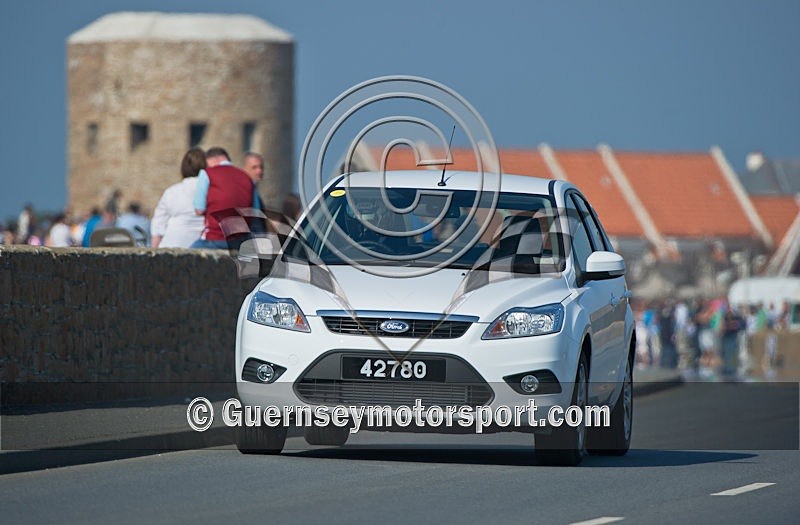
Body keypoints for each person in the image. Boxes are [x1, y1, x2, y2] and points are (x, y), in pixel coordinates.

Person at [191, 147, 261, 249]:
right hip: (241, 241)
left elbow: (199, 210)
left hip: (215, 238)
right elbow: (256, 212)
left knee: (183, 259)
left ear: (212, 160)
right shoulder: (247, 178)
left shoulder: (207, 173)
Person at [151, 147, 207, 248]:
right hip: (205, 247)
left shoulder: (172, 192)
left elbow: (158, 227)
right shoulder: (213, 191)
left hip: (173, 246)